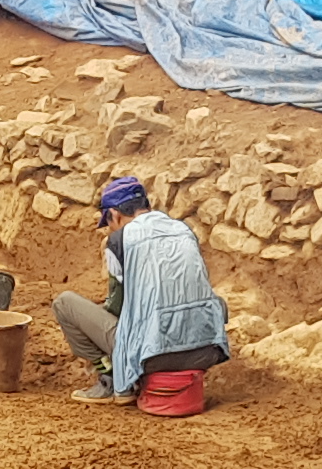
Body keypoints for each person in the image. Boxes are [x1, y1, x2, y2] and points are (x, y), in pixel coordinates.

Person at [55, 177, 230, 415]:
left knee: (65, 303)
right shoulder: (183, 230)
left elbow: (118, 307)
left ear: (115, 215)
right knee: (214, 302)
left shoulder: (119, 241)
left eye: (108, 222)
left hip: (153, 356)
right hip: (206, 351)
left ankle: (111, 380)